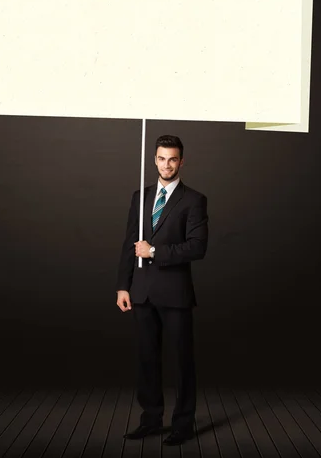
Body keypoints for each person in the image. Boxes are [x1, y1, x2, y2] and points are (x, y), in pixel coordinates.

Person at [116, 134, 208, 446]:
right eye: (161, 158)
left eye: (172, 159)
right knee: (147, 359)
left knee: (182, 362)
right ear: (154, 159)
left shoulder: (194, 200)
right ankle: (151, 420)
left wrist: (154, 252)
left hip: (175, 294)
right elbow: (130, 244)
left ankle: (183, 424)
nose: (166, 164)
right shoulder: (139, 198)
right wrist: (122, 286)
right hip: (141, 292)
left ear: (181, 161)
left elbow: (197, 247)